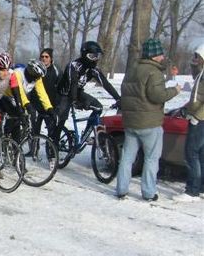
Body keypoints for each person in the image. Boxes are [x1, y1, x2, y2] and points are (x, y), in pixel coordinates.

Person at [116, 38, 180, 201]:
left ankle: (121, 189)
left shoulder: (132, 69)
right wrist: (175, 90)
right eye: (160, 54)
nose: (162, 56)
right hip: (149, 123)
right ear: (154, 56)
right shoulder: (154, 72)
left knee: (127, 158)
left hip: (131, 122)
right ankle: (148, 192)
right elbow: (157, 96)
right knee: (151, 158)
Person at [54, 41, 121, 147]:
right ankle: (54, 144)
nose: (95, 59)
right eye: (92, 56)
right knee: (62, 118)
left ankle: (85, 135)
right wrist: (75, 101)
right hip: (64, 94)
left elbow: (106, 84)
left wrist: (118, 98)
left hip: (78, 92)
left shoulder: (94, 69)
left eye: (97, 56)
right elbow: (73, 84)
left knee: (98, 108)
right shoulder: (74, 66)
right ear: (85, 55)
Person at [174, 44, 204, 202]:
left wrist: (197, 117)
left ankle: (192, 191)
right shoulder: (201, 73)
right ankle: (201, 187)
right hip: (199, 118)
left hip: (200, 120)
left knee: (191, 153)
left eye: (198, 57)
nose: (195, 59)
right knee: (201, 154)